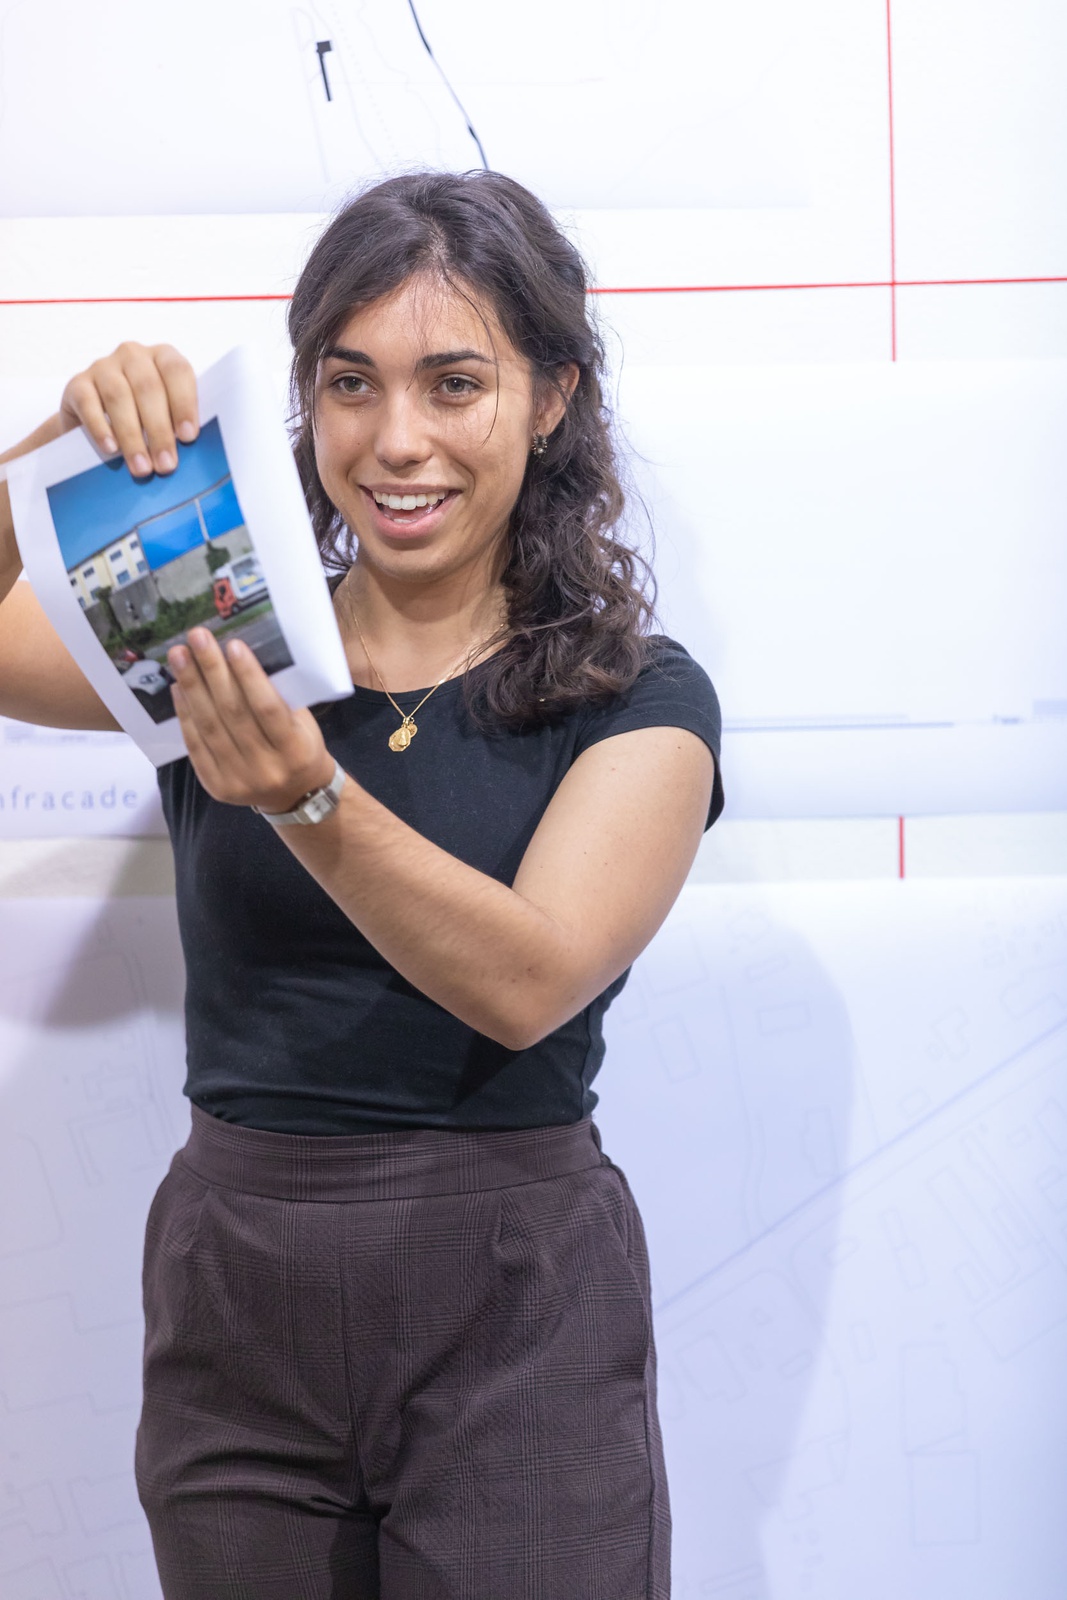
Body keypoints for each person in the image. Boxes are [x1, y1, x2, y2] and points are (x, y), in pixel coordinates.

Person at [0, 171, 723, 1600]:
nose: (398, 441)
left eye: (456, 384)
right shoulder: (222, 640)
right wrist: (51, 461)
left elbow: (527, 979)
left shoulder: (633, 694)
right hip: (235, 1288)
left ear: (552, 398)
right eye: (350, 383)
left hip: (514, 1291)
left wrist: (308, 798)